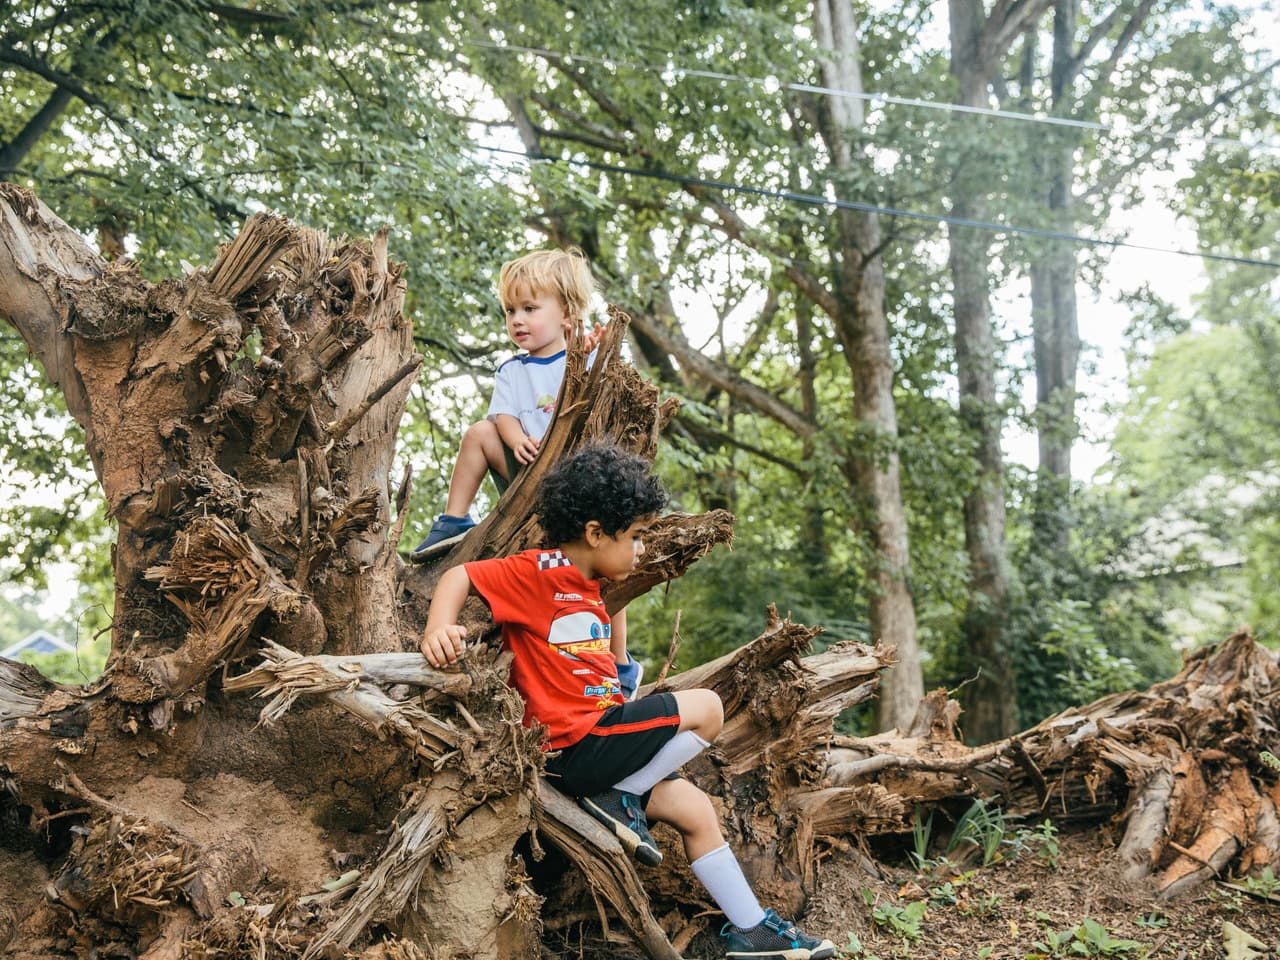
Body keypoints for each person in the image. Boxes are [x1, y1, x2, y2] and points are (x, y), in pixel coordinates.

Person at [419, 444, 836, 960]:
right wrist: (439, 626)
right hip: (576, 745)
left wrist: (621, 665)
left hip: (602, 745)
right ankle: (621, 798)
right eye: (636, 537)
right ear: (595, 533)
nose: (642, 550)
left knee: (694, 808)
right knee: (706, 707)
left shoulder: (593, 589)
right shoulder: (537, 572)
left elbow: (603, 662)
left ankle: (753, 931)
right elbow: (461, 575)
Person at [411, 248, 602, 559]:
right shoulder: (511, 370)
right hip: (530, 475)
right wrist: (517, 442)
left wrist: (590, 356)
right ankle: (454, 521)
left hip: (579, 477)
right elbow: (504, 416)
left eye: (529, 308)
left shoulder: (580, 359)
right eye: (510, 311)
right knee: (479, 432)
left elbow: (605, 399)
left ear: (566, 313)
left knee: (610, 558)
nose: (517, 320)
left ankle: (606, 603)